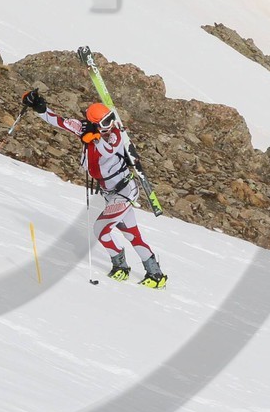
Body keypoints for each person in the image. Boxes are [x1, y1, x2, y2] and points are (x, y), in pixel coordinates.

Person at [21, 89, 167, 287]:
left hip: (124, 191)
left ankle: (120, 266)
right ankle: (155, 273)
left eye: (111, 119)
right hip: (109, 192)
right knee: (131, 234)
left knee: (101, 229)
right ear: (94, 123)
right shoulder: (85, 128)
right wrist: (39, 106)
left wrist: (95, 138)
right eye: (105, 122)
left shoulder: (115, 135)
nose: (110, 125)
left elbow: (108, 151)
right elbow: (60, 121)